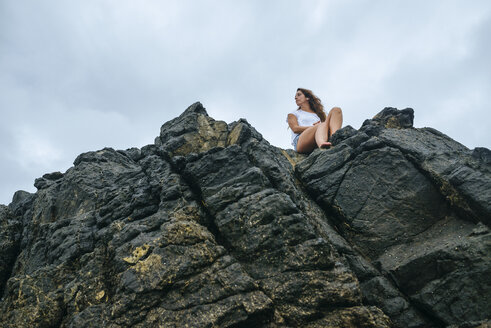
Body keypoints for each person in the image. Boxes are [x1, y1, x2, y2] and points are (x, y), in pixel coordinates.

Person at [286, 88, 343, 153]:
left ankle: (334, 137)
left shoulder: (319, 114)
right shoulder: (293, 114)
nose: (296, 98)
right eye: (295, 97)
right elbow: (295, 129)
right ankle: (322, 145)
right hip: (301, 141)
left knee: (336, 110)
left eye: (299, 95)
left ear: (307, 98)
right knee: (321, 125)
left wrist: (320, 126)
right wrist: (314, 127)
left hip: (320, 134)